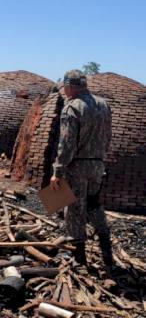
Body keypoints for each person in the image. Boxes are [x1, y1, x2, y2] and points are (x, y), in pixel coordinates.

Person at [50, 70, 114, 271]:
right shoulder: (103, 104)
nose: (64, 90)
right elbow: (108, 136)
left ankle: (80, 258)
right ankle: (107, 252)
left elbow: (66, 144)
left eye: (65, 86)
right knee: (94, 204)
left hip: (77, 166)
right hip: (97, 165)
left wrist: (57, 172)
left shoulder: (72, 107)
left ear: (71, 85)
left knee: (74, 208)